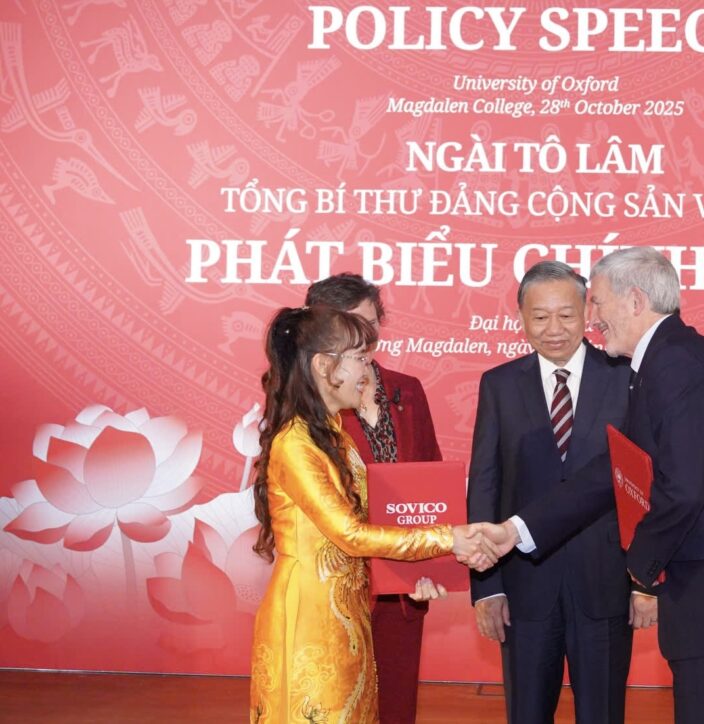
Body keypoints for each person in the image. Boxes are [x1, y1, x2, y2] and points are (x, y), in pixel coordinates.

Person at [486, 248, 704, 723]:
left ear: (635, 301)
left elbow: (685, 489)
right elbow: (612, 471)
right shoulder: (663, 361)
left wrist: (636, 567)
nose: (592, 318)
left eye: (597, 302)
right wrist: (517, 530)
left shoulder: (675, 363)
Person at [248, 305, 494, 724]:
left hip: (348, 613)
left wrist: (415, 575)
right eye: (361, 359)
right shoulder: (297, 444)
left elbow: (373, 524)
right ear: (324, 366)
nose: (369, 370)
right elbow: (350, 534)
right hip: (310, 617)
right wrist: (447, 538)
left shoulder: (334, 436)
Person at [467, 261, 645, 724]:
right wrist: (486, 588)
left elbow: (641, 487)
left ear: (587, 313)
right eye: (540, 316)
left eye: (566, 315)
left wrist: (644, 581)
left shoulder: (625, 377)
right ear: (520, 317)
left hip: (606, 582)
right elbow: (485, 484)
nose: (553, 329)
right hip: (524, 588)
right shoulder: (499, 385)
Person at [306, 273, 441, 724]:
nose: (362, 339)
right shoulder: (306, 404)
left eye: (369, 324)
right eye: (347, 326)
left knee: (395, 705)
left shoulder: (408, 390)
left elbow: (431, 483)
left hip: (403, 585)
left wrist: (431, 561)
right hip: (335, 585)